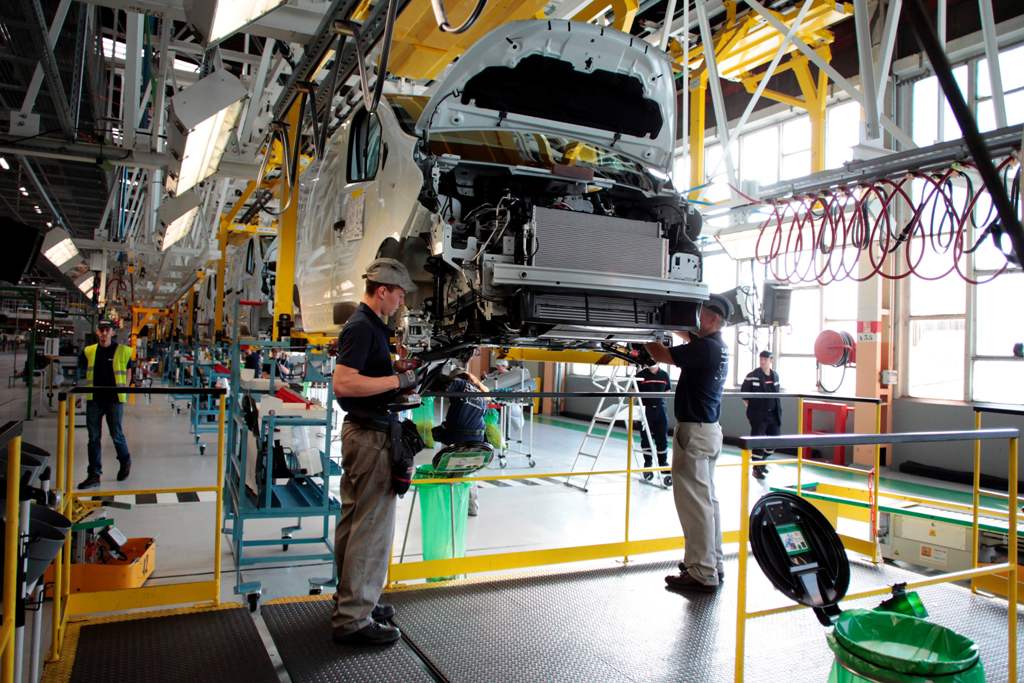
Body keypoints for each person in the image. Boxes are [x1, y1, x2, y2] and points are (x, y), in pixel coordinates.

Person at [331, 258, 419, 647]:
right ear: (382, 290)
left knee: (354, 524)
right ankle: (353, 619)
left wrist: (393, 370)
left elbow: (366, 374)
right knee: (371, 531)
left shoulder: (371, 328)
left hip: (362, 435)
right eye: (399, 295)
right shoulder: (363, 326)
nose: (401, 302)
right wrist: (398, 379)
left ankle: (353, 598)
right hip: (369, 438)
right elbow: (345, 384)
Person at [645, 293, 732, 593]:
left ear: (712, 319)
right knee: (707, 503)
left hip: (695, 433)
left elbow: (661, 354)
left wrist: (641, 332)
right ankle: (712, 563)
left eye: (700, 313)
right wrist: (674, 326)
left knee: (695, 505)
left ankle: (701, 571)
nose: (696, 319)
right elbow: (688, 335)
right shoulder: (717, 347)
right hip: (709, 431)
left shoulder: (705, 349)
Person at [77, 318, 134, 489]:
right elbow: (81, 370)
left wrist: (124, 390)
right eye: (101, 330)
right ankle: (94, 474)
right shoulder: (89, 351)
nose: (103, 333)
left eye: (107, 330)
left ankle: (125, 461)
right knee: (93, 437)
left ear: (112, 332)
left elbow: (129, 371)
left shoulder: (123, 351)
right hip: (95, 399)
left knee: (116, 433)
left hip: (114, 400)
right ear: (97, 332)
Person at [432, 369, 489, 516]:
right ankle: (472, 507)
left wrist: (428, 377)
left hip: (459, 439)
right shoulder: (479, 393)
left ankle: (446, 505)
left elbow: (447, 384)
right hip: (478, 440)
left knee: (447, 468)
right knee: (469, 471)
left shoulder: (460, 384)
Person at [741, 350, 782, 480]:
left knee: (774, 439)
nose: (762, 361)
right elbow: (745, 395)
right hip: (758, 415)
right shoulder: (752, 375)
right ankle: (756, 469)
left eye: (765, 359)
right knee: (758, 440)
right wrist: (753, 410)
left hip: (773, 414)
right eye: (761, 359)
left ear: (771, 360)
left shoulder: (775, 376)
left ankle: (761, 463)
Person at [636, 359, 672, 486]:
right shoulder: (640, 375)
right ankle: (648, 463)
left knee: (662, 437)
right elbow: (635, 392)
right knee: (646, 438)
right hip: (645, 410)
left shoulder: (664, 375)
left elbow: (667, 391)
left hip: (661, 409)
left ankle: (663, 463)